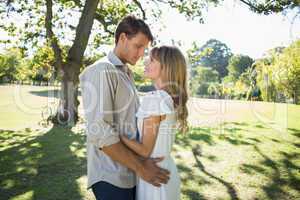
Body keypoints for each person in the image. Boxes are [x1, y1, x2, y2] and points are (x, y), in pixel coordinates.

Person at [79, 15, 170, 200]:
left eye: (144, 49)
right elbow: (99, 131)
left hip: (130, 173)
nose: (140, 54)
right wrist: (141, 167)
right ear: (122, 38)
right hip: (112, 176)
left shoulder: (125, 72)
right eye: (138, 46)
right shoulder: (102, 70)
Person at [121, 46, 189, 200]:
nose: (145, 62)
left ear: (165, 68)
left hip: (154, 176)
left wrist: (116, 135)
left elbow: (145, 150)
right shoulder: (168, 97)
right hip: (165, 170)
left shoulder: (155, 98)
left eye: (151, 60)